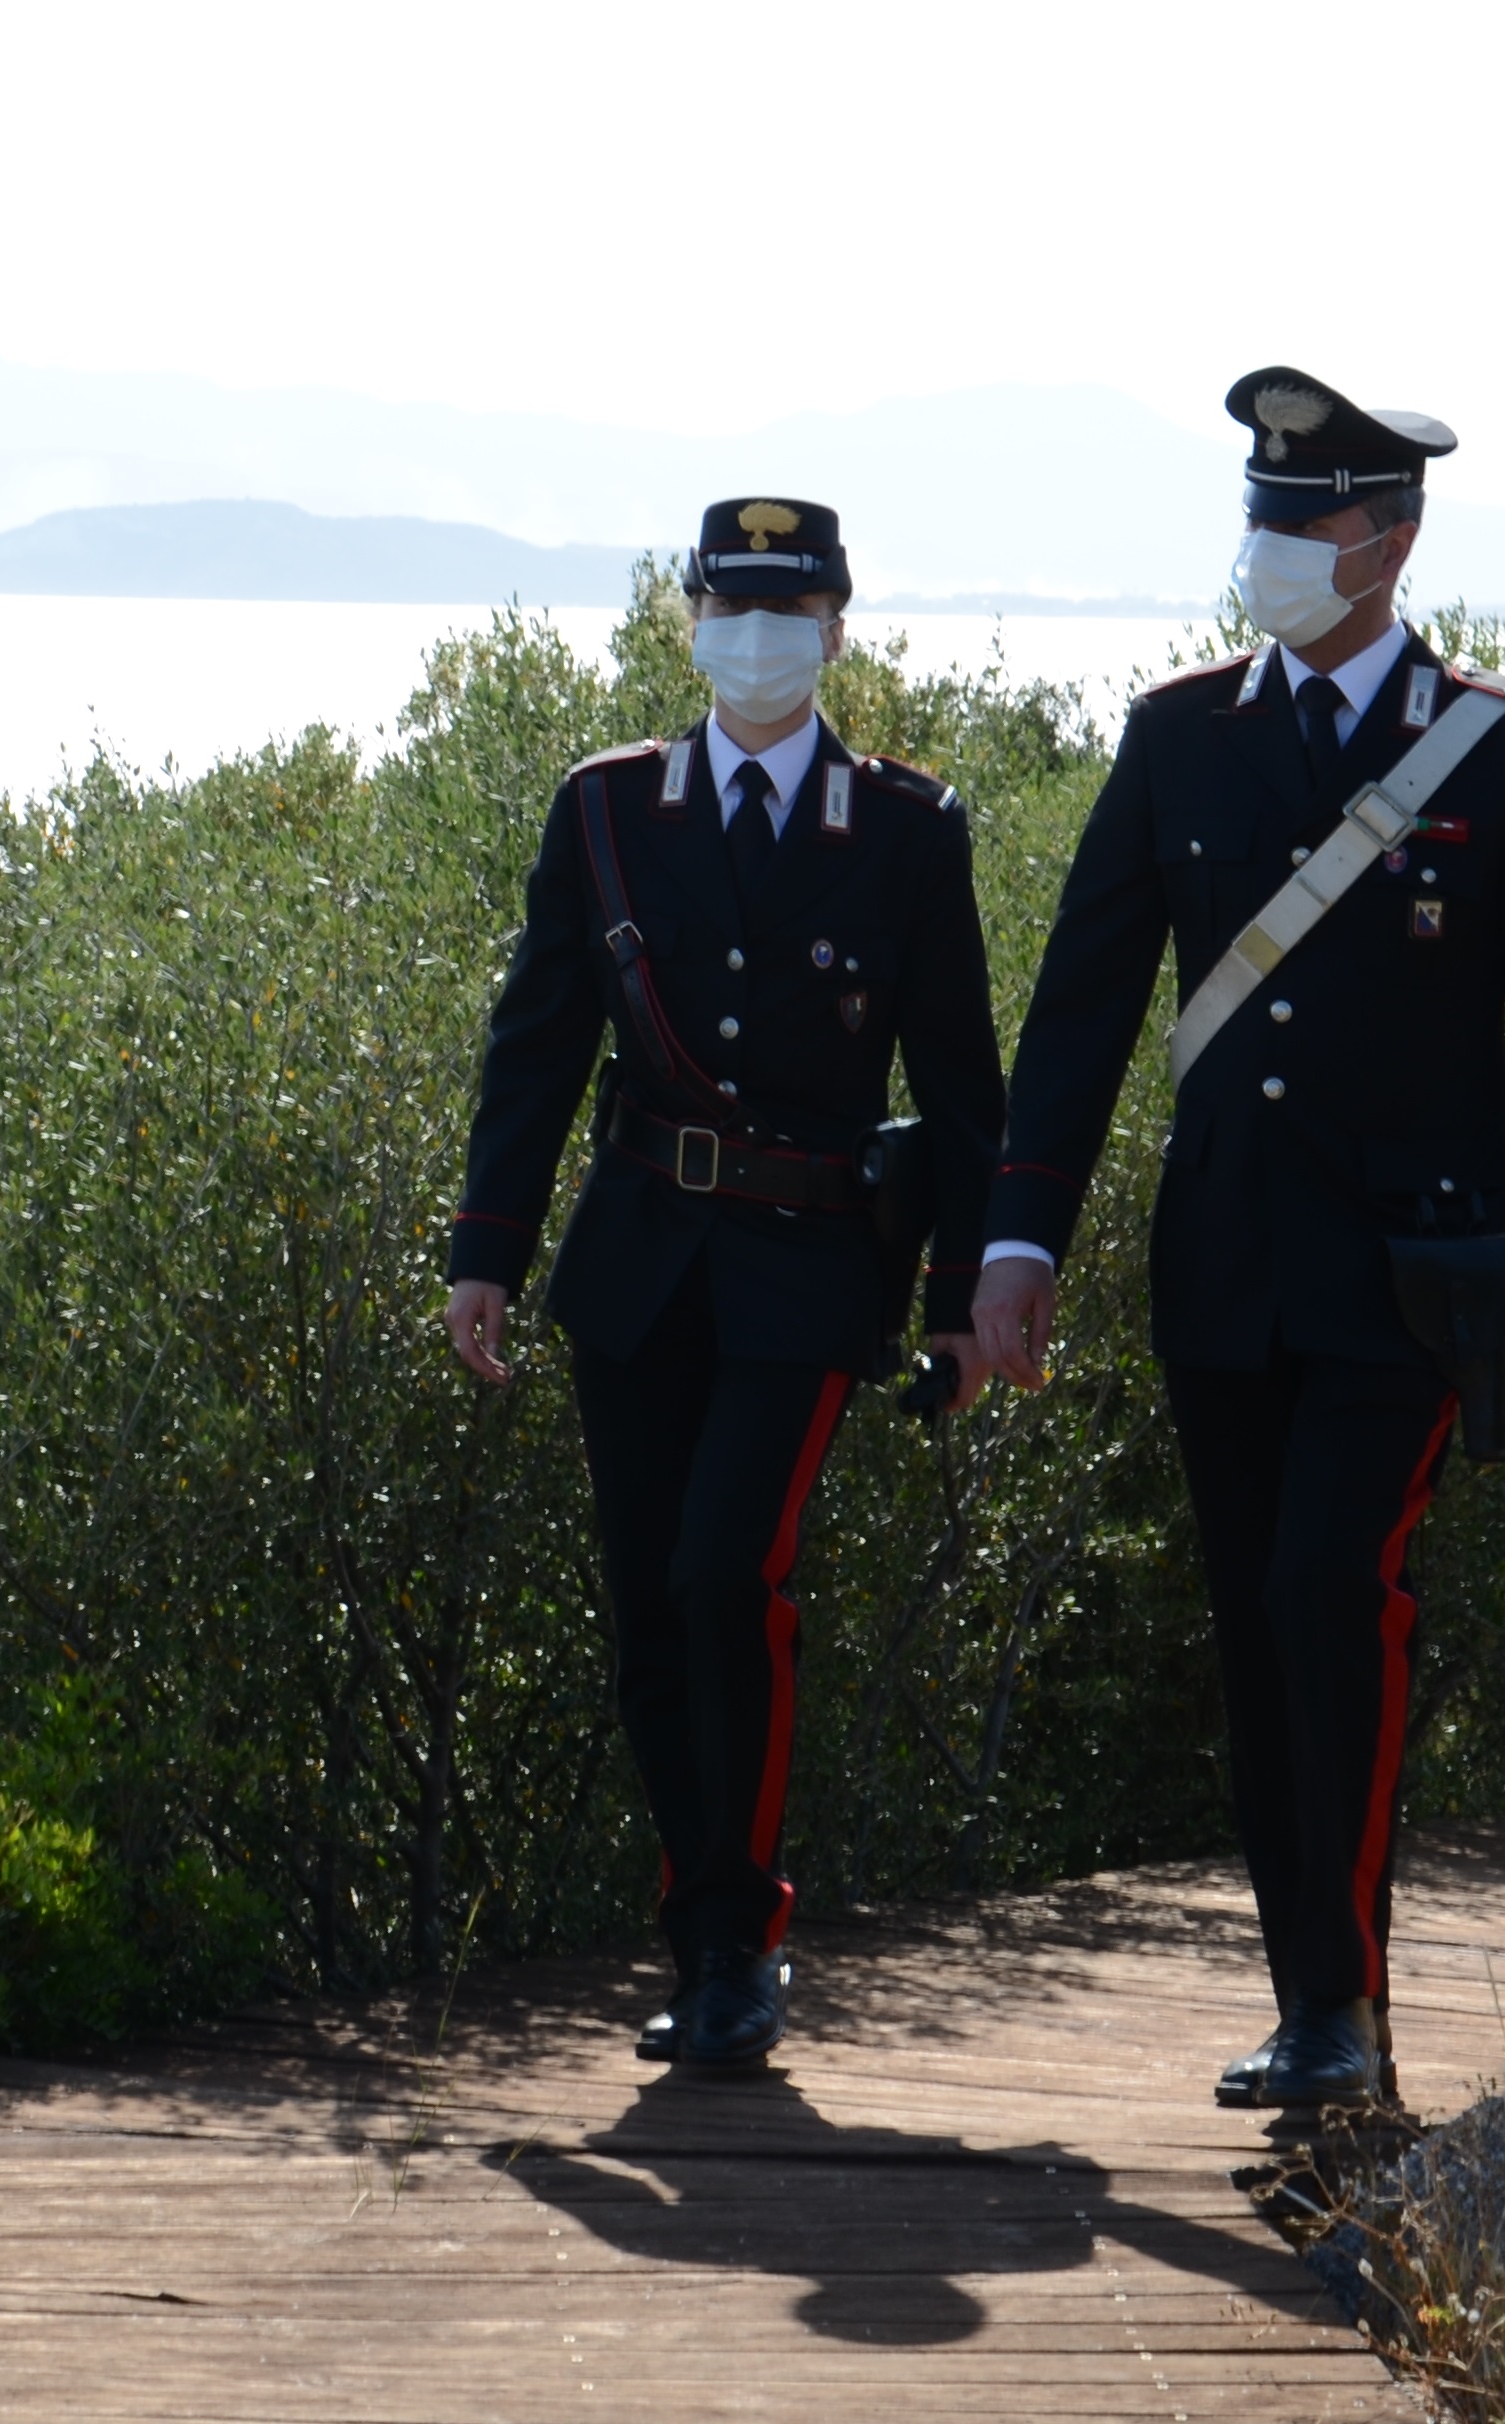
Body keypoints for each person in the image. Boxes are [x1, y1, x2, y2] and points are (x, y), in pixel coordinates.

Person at [972, 371, 1505, 2111]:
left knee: (1324, 1594)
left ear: (1390, 538)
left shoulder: (1502, 749)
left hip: (1405, 1285)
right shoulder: (1178, 733)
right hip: (1221, 1266)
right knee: (1256, 1630)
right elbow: (1080, 1006)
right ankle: (1315, 2003)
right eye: (1257, 513)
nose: (1269, 544)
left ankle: (1339, 2002)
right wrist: (1017, 1240)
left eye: (1305, 518)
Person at [445, 499, 1006, 2069]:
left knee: (721, 1577)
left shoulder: (905, 829)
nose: (756, 641)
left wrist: (957, 1294)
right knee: (647, 1608)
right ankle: (700, 1932)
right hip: (636, 1264)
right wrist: (486, 1249)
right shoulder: (607, 809)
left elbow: (962, 1085)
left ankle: (737, 1941)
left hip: (808, 1271)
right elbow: (537, 1040)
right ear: (689, 620)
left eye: (788, 615)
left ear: (835, 630)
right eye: (730, 611)